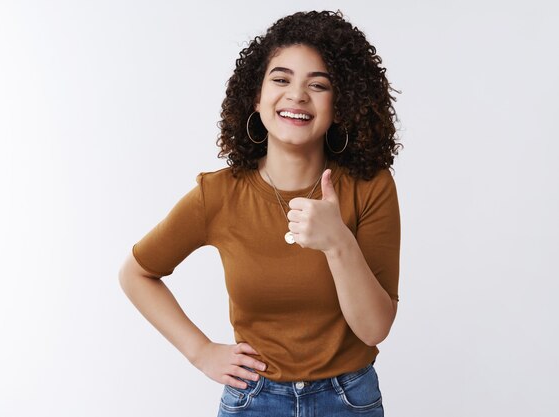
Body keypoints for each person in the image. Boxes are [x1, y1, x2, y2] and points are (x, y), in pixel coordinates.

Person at [119, 10, 402, 416]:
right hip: (254, 400)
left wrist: (338, 242)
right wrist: (200, 352)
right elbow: (136, 273)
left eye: (318, 85)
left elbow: (375, 329)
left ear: (341, 105)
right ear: (256, 95)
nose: (297, 95)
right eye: (281, 79)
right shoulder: (218, 194)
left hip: (348, 399)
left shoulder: (369, 187)